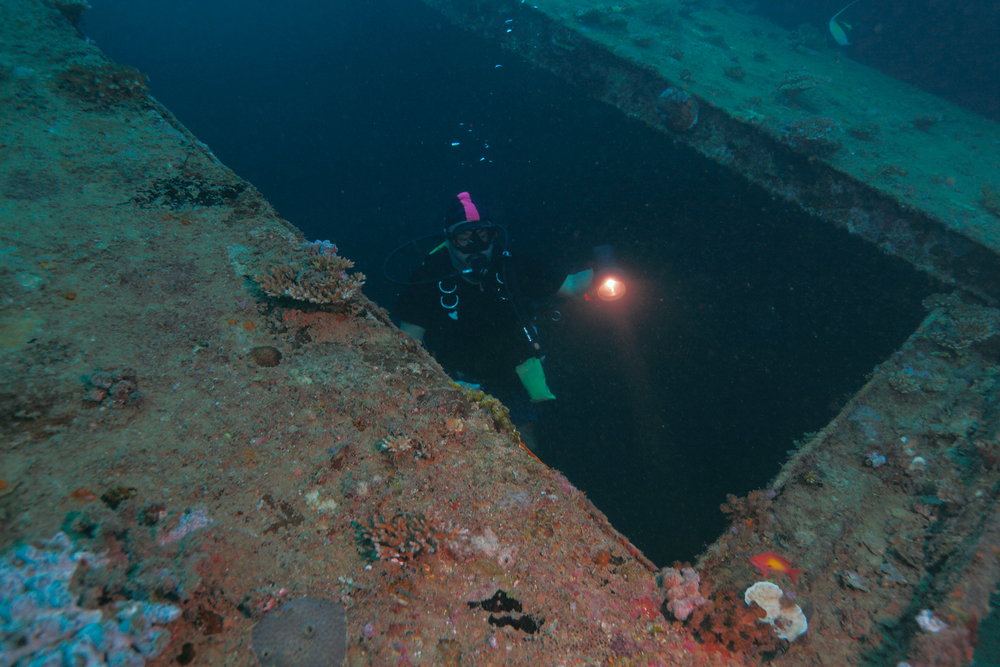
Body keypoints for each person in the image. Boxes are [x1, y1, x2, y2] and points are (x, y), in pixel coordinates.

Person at [395, 192, 593, 403]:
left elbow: (572, 286)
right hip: (453, 390)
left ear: (493, 236)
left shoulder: (509, 266)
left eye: (482, 236)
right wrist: (443, 386)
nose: (475, 246)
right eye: (464, 238)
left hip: (514, 384)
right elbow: (407, 351)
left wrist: (606, 264)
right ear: (449, 240)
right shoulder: (426, 280)